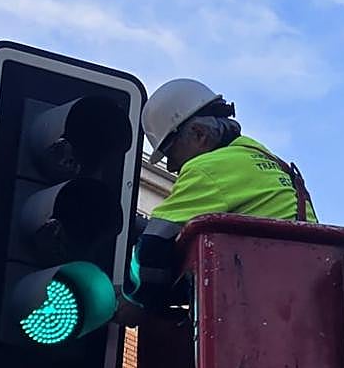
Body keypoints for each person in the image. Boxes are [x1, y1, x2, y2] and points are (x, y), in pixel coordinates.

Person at [122, 79, 317, 313]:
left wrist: (134, 299)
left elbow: (150, 253)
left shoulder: (208, 168)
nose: (172, 167)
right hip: (301, 301)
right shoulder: (273, 163)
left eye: (170, 152)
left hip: (257, 308)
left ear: (199, 134)